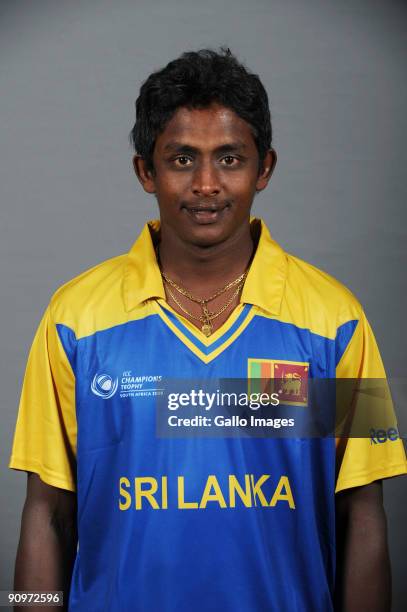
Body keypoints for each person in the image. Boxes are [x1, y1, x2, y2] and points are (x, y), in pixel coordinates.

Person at [9, 48, 406, 612]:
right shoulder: (75, 318)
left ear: (264, 168)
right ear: (145, 170)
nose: (206, 185)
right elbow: (46, 514)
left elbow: (363, 512)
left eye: (228, 158)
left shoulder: (335, 320)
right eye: (180, 160)